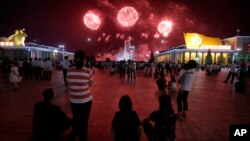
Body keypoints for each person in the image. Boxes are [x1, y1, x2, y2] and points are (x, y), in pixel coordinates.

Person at [67, 50, 93, 141]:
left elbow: (69, 84)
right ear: (84, 59)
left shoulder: (69, 71)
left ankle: (74, 133)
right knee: (84, 121)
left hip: (74, 100)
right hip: (86, 101)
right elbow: (90, 84)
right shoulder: (88, 71)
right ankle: (83, 137)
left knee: (76, 118)